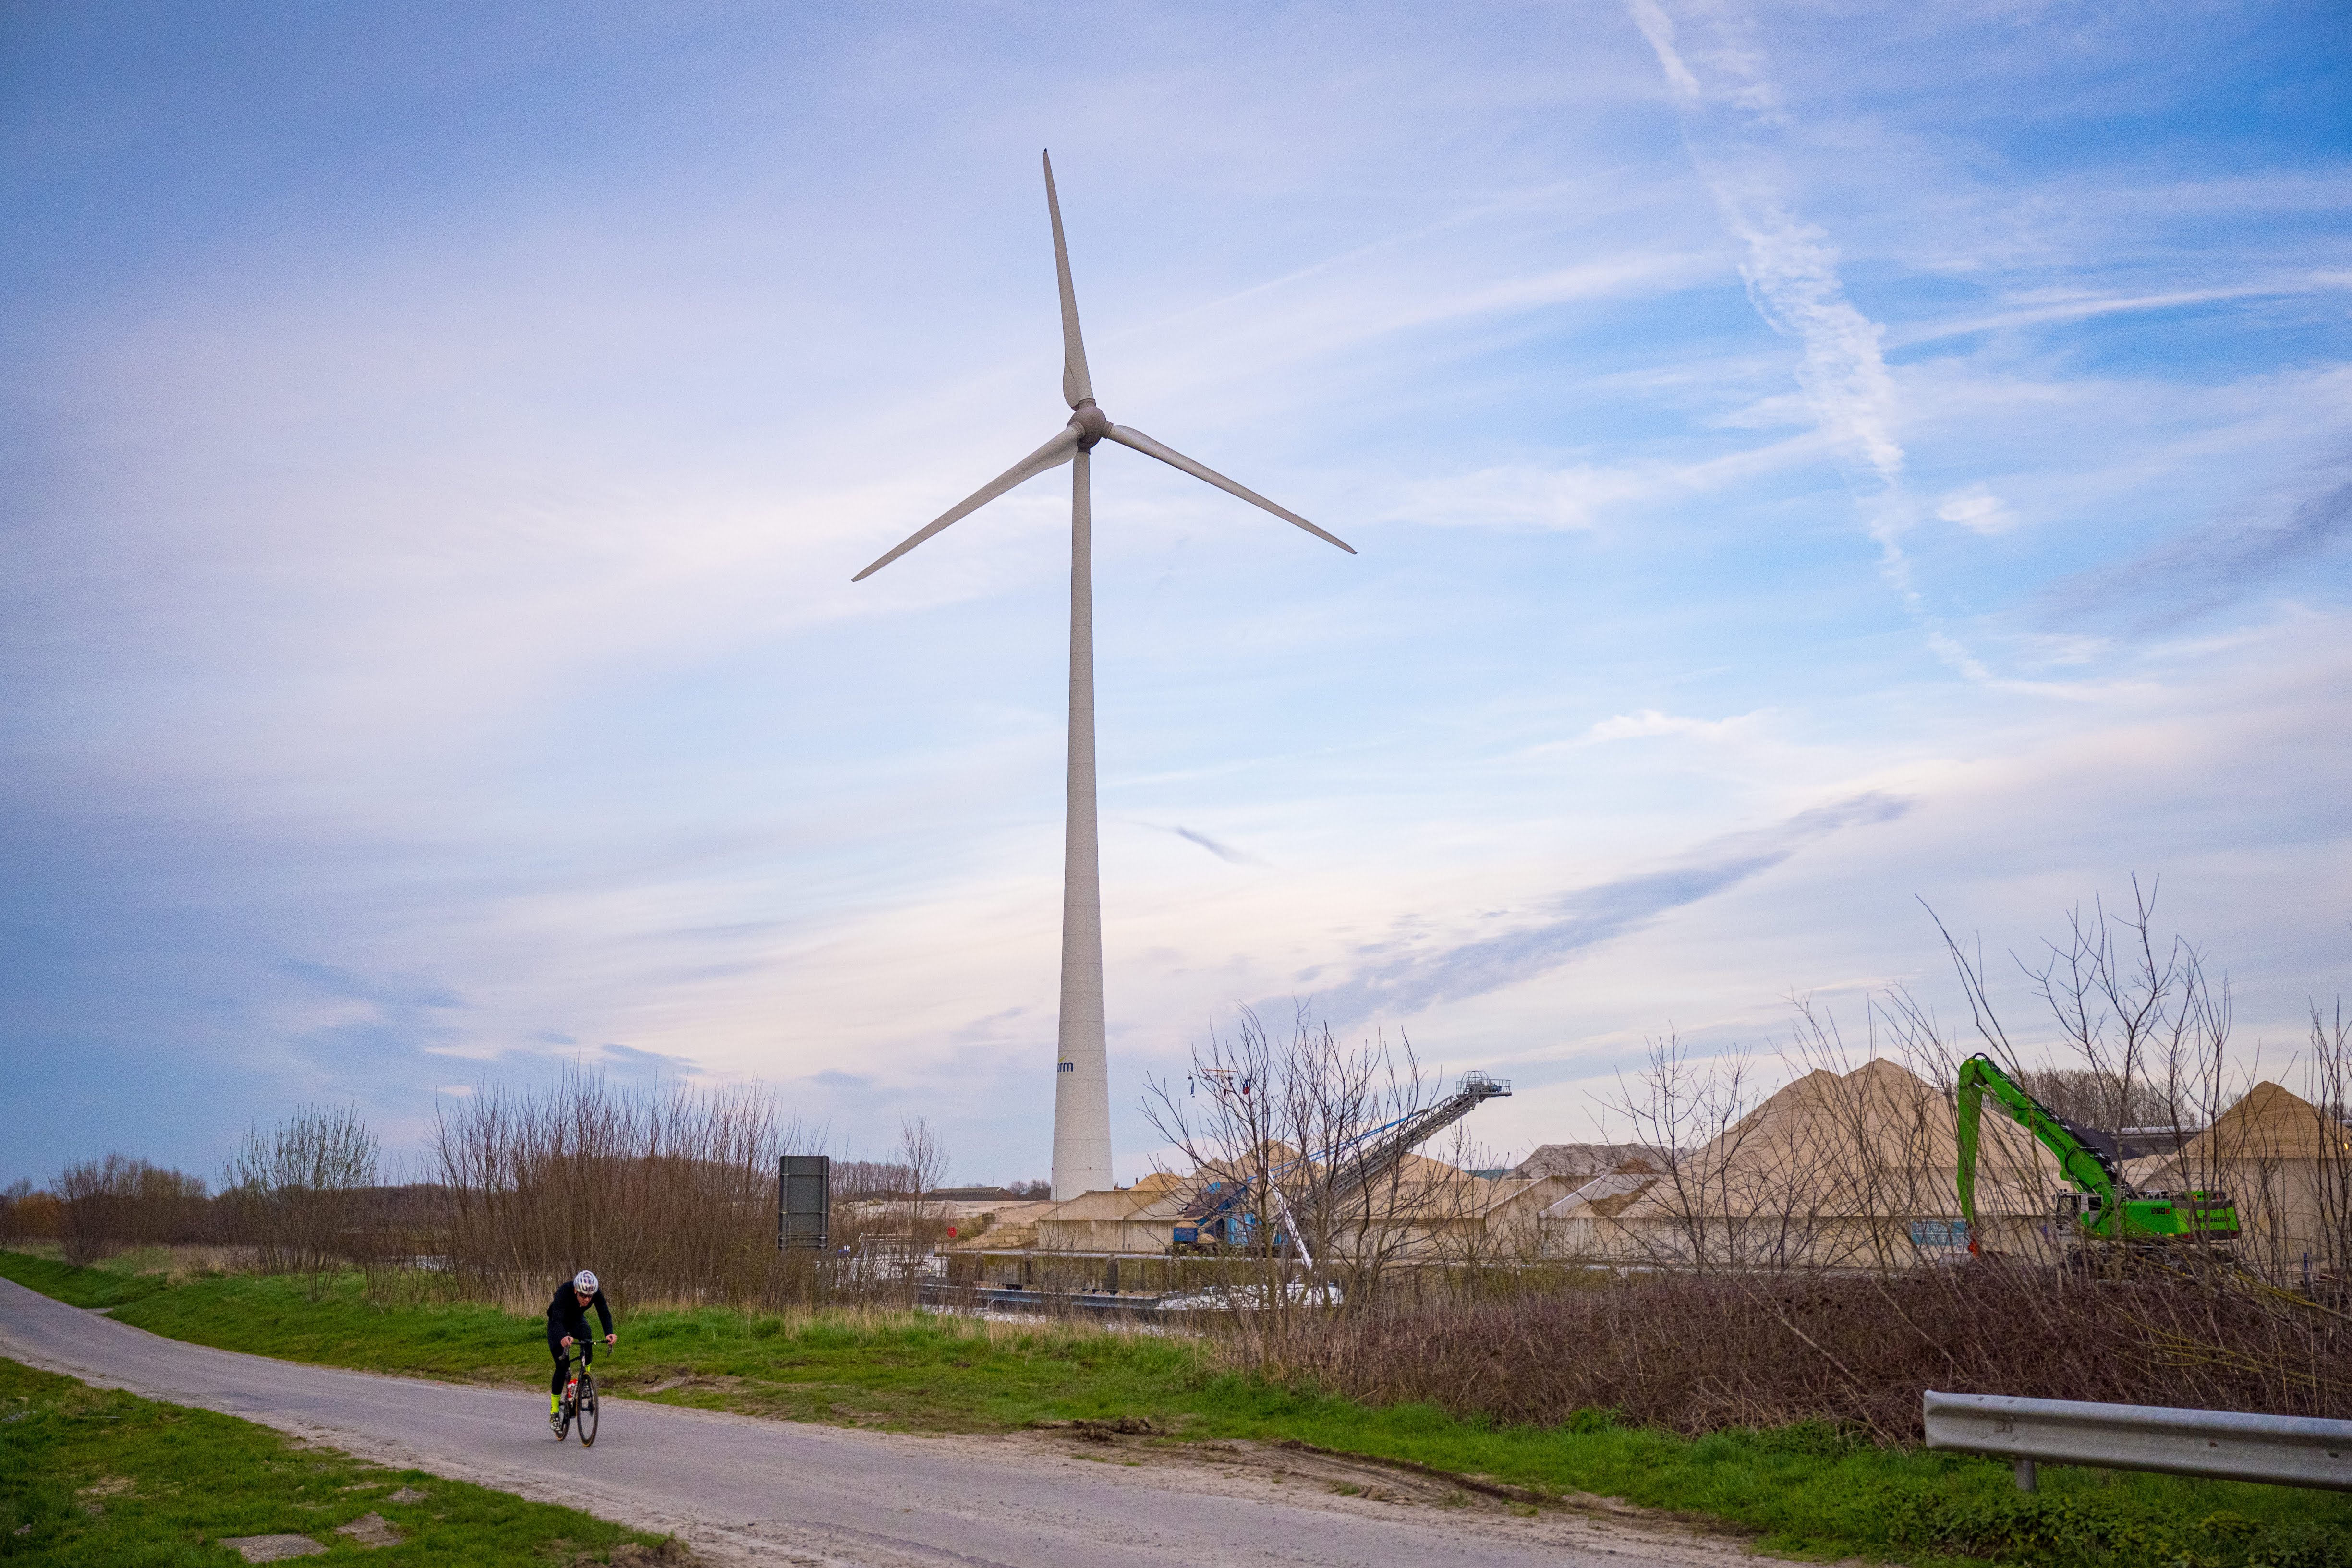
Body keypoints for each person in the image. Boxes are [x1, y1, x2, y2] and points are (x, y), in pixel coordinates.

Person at [546, 1268, 616, 1432]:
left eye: (590, 1297)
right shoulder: (564, 1291)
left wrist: (609, 1333)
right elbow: (556, 1319)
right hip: (558, 1325)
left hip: (577, 1321)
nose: (587, 1299)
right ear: (576, 1290)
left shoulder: (594, 1293)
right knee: (562, 1366)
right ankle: (555, 1411)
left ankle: (585, 1378)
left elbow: (604, 1313)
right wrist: (563, 1336)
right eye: (583, 1296)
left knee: (588, 1338)